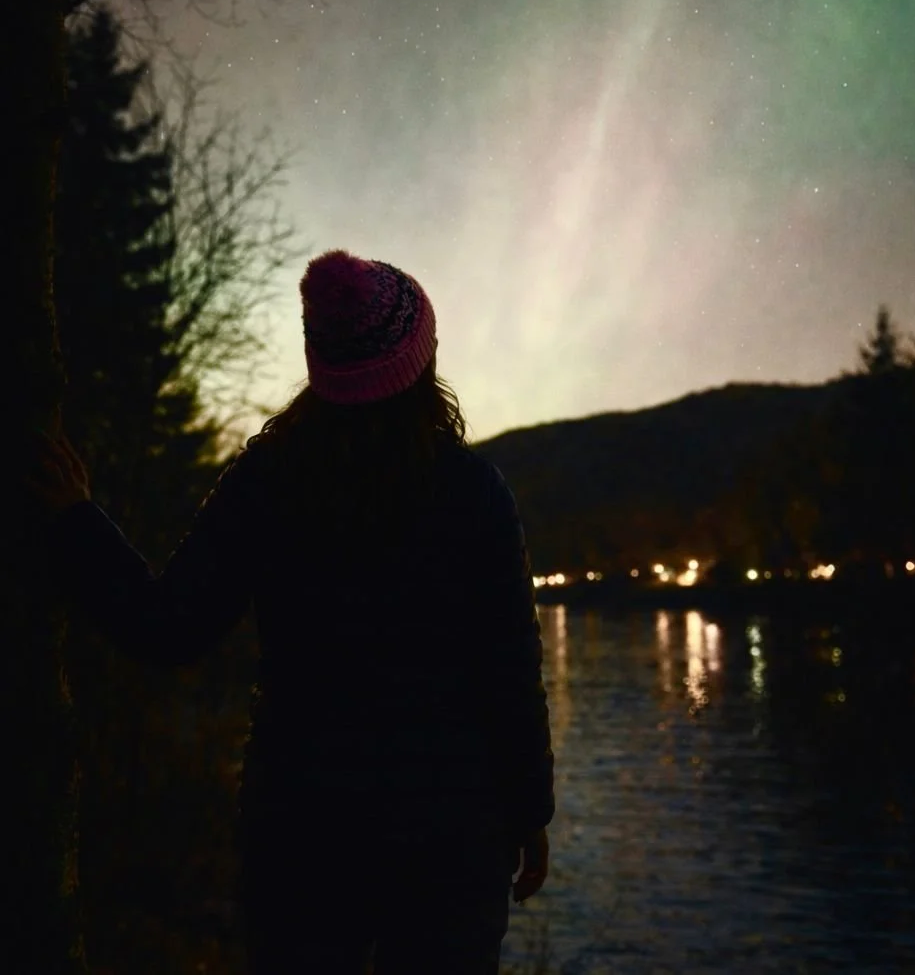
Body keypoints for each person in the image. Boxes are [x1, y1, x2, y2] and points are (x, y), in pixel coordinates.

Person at [31, 249, 555, 974]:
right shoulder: (473, 492)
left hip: (305, 830)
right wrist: (531, 813)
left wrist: (77, 523)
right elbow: (510, 673)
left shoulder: (269, 482)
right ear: (419, 363)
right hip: (452, 835)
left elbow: (168, 625)